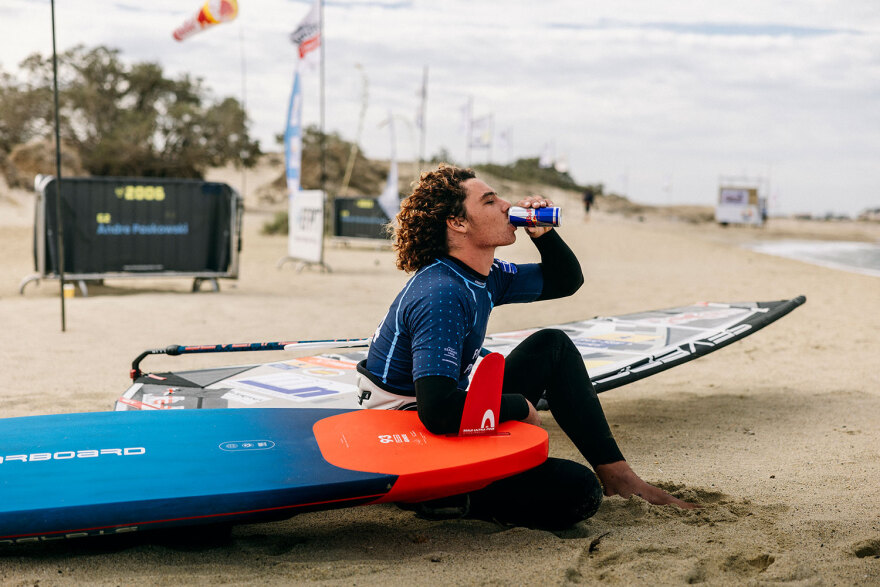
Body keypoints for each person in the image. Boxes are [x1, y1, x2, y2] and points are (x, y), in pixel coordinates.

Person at [357, 164, 695, 530]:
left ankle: (619, 476)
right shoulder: (443, 293)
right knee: (577, 490)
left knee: (552, 346)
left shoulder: (483, 275)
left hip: (438, 416)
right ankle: (443, 496)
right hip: (407, 440)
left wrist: (544, 235)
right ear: (458, 223)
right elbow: (436, 412)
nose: (507, 205)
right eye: (490, 201)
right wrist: (520, 406)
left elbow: (565, 281)